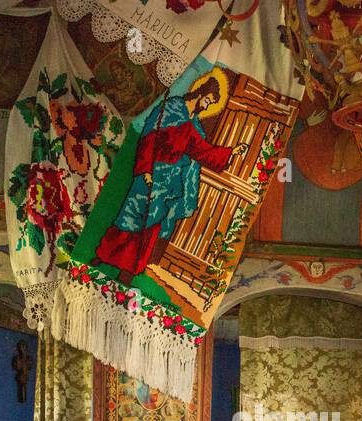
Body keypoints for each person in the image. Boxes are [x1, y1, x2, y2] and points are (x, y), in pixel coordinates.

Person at [94, 71, 248, 284]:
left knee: (149, 226)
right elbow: (149, 136)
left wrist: (232, 152)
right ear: (199, 93)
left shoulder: (191, 124)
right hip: (150, 173)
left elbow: (201, 150)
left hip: (167, 182)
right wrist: (146, 170)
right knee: (129, 219)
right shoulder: (172, 108)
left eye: (211, 103)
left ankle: (126, 273)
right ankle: (101, 258)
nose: (207, 106)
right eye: (208, 100)